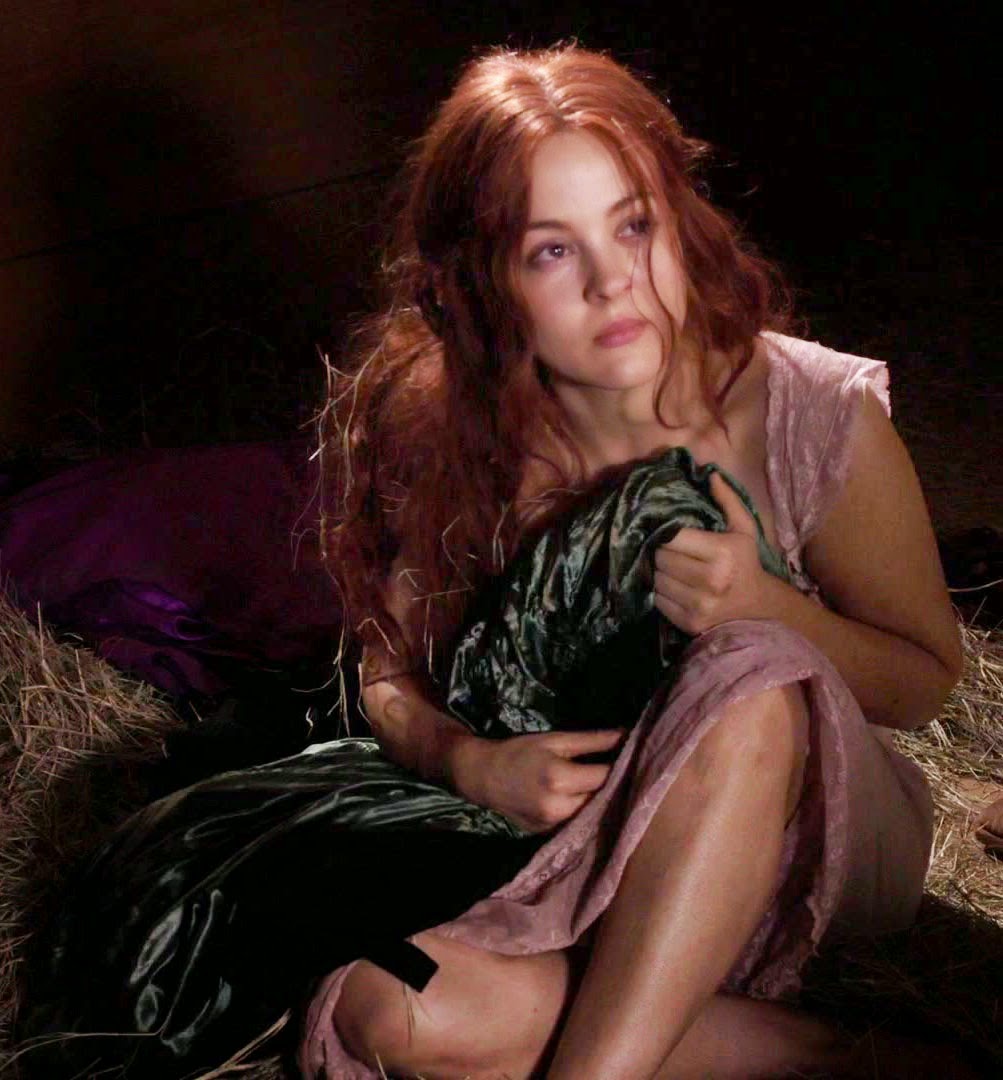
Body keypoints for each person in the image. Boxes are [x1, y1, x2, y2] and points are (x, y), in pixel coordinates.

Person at [300, 44, 967, 1079]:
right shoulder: (447, 428)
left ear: (679, 222)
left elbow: (924, 683)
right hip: (582, 849)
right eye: (550, 251)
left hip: (816, 840)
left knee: (749, 668)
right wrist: (467, 762)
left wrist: (772, 608)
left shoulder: (809, 408)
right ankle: (824, 1056)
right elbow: (386, 669)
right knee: (385, 1003)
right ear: (480, 283)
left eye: (632, 226)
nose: (613, 281)